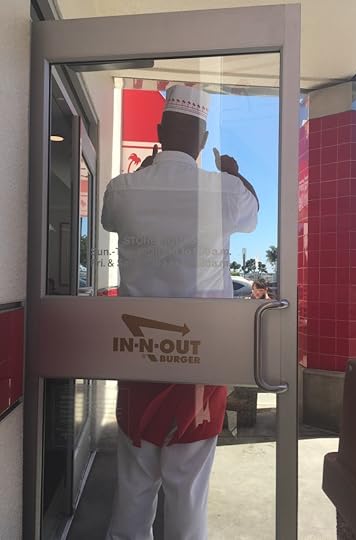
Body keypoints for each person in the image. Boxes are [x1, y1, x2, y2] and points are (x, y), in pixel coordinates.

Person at [102, 84, 259, 540]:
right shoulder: (223, 189)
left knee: (134, 488)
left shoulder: (123, 189)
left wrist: (143, 172)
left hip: (138, 357)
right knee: (188, 493)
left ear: (158, 132)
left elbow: (108, 217)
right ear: (203, 140)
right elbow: (253, 213)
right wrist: (235, 173)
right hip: (199, 362)